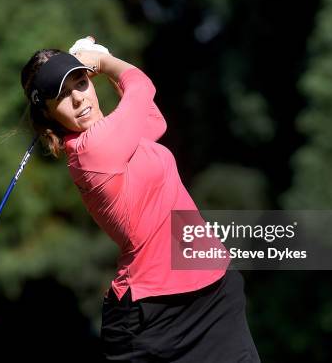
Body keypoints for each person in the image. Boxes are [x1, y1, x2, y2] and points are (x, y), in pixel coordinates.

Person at [20, 38, 261, 362]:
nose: (79, 99)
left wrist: (97, 63)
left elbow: (153, 121)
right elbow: (141, 85)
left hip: (213, 292)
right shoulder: (92, 150)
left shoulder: (115, 134)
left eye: (80, 83)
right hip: (155, 317)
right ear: (48, 115)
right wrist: (104, 63)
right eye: (62, 96)